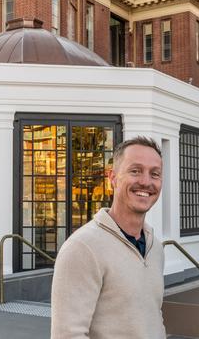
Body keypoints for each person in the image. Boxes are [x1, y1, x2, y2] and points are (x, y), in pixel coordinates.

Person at [51, 136, 166, 339]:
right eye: (135, 171)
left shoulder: (155, 247)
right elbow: (68, 335)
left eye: (154, 174)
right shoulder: (82, 247)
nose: (146, 182)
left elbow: (153, 318)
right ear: (112, 177)